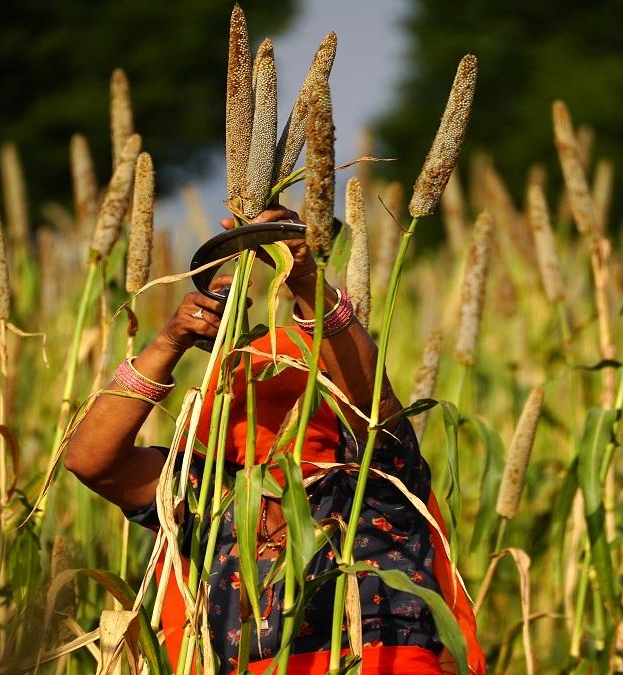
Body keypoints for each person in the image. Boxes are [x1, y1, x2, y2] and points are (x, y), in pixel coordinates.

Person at [64, 206, 484, 674]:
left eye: (295, 391)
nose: (274, 415)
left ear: (327, 397)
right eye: (254, 394)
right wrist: (172, 340)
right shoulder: (211, 496)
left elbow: (370, 405)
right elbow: (91, 460)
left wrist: (305, 277)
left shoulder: (374, 480)